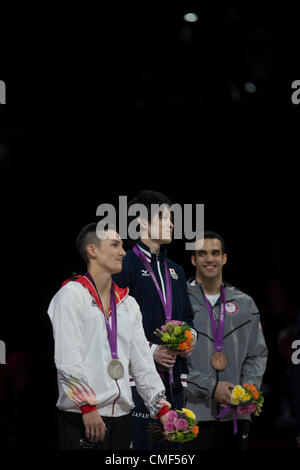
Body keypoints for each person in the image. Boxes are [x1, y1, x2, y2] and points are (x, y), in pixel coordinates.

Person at [47, 223, 170, 450]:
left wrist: (161, 408)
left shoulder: (128, 304)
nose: (123, 252)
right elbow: (68, 358)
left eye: (122, 246)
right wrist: (87, 407)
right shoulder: (71, 296)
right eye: (115, 245)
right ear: (92, 250)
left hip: (123, 417)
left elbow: (142, 361)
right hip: (83, 416)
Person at [112, 190, 196, 450]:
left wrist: (188, 339)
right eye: (165, 217)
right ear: (142, 221)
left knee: (174, 453)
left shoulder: (177, 271)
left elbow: (186, 317)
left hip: (175, 380)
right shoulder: (124, 265)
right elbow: (113, 324)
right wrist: (151, 351)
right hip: (137, 382)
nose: (172, 224)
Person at [184, 231, 268, 451]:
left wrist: (246, 392)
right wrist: (211, 388)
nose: (209, 259)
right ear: (193, 259)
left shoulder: (245, 303)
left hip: (235, 415)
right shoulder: (179, 301)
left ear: (224, 258)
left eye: (215, 253)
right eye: (202, 253)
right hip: (191, 414)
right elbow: (174, 362)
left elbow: (256, 354)